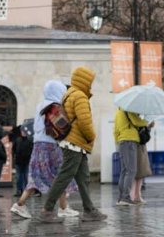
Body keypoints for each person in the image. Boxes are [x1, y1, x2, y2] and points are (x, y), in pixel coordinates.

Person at [37, 67, 108, 224]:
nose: (91, 85)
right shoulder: (80, 96)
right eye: (90, 81)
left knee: (83, 178)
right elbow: (84, 121)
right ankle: (47, 210)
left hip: (71, 142)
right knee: (64, 176)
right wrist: (92, 136)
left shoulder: (69, 94)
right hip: (75, 143)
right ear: (85, 80)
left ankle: (89, 210)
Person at [12, 80, 77, 219]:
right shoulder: (55, 106)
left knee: (37, 176)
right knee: (61, 174)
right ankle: (63, 208)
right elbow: (62, 127)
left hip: (38, 145)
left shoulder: (40, 105)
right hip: (51, 145)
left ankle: (20, 204)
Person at [114, 108, 148, 206]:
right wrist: (146, 122)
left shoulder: (118, 112)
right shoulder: (128, 109)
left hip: (122, 141)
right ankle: (125, 198)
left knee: (124, 171)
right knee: (131, 170)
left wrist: (117, 142)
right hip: (129, 141)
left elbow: (115, 130)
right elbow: (136, 121)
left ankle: (121, 198)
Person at [11, 123, 33, 197]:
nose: (23, 132)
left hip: (26, 161)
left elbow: (32, 150)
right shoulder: (17, 140)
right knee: (19, 177)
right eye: (22, 131)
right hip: (18, 161)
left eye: (24, 131)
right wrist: (15, 155)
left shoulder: (30, 140)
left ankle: (26, 191)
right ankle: (18, 190)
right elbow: (13, 150)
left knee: (26, 177)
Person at [132, 129, 153, 204]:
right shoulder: (137, 123)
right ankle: (135, 196)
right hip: (138, 146)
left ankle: (137, 195)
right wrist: (148, 128)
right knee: (138, 173)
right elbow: (144, 138)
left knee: (139, 174)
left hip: (140, 147)